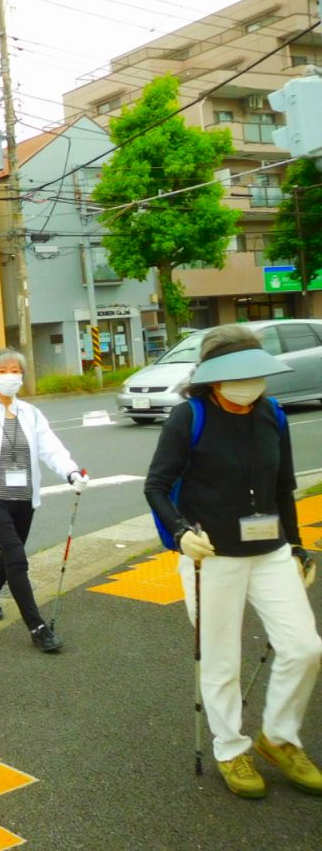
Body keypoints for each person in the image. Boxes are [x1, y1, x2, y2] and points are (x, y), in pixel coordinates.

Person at [144, 323, 321, 800]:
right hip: (212, 556)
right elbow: (156, 486)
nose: (249, 384)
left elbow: (285, 487)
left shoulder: (273, 415)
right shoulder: (190, 416)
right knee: (221, 660)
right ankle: (230, 747)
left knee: (305, 647)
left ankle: (279, 738)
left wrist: (299, 545)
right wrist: (181, 534)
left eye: (254, 373)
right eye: (236, 374)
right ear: (214, 378)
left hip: (271, 552)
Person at [0, 348, 88, 653]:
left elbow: (50, 446)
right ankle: (38, 628)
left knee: (10, 553)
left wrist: (70, 471)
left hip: (24, 497)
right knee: (17, 558)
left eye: (16, 370)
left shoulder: (31, 413)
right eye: (3, 371)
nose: (10, 376)